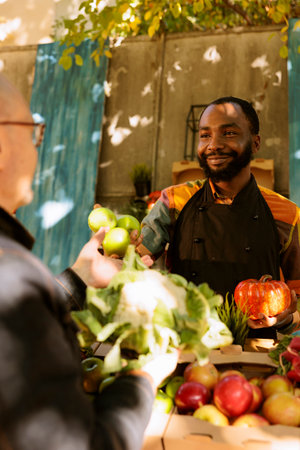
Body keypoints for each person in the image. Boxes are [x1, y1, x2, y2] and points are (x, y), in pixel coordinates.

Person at [0, 73, 178, 449]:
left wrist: (79, 276)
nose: (37, 148)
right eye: (33, 132)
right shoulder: (12, 274)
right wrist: (143, 379)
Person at [137, 96, 300, 339]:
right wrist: (118, 251)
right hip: (185, 348)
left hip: (256, 356)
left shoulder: (287, 214)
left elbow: (298, 298)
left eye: (229, 133)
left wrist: (285, 318)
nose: (213, 144)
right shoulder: (174, 201)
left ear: (255, 143)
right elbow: (135, 263)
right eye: (205, 135)